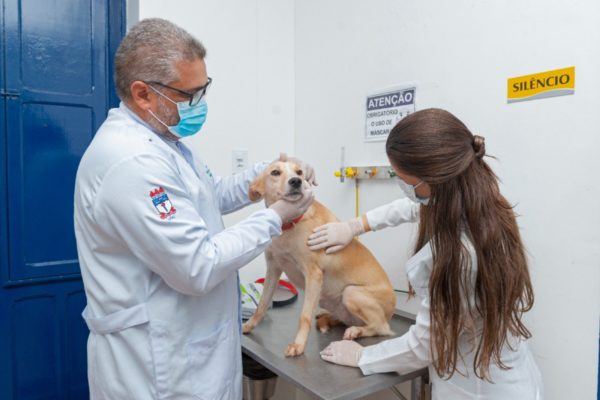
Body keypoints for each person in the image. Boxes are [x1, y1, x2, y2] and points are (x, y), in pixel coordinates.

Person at [74, 18, 314, 400]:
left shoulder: (164, 142)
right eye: (189, 95)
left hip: (190, 348)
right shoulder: (130, 161)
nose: (199, 104)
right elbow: (197, 267)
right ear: (143, 94)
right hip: (157, 365)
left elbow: (209, 194)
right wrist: (275, 217)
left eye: (203, 90)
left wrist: (267, 175)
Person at [309, 108, 543, 399]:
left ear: (431, 181)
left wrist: (362, 357)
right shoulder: (484, 203)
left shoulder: (460, 256)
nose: (403, 186)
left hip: (479, 389)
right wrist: (356, 226)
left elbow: (424, 346)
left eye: (404, 179)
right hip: (514, 375)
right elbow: (410, 207)